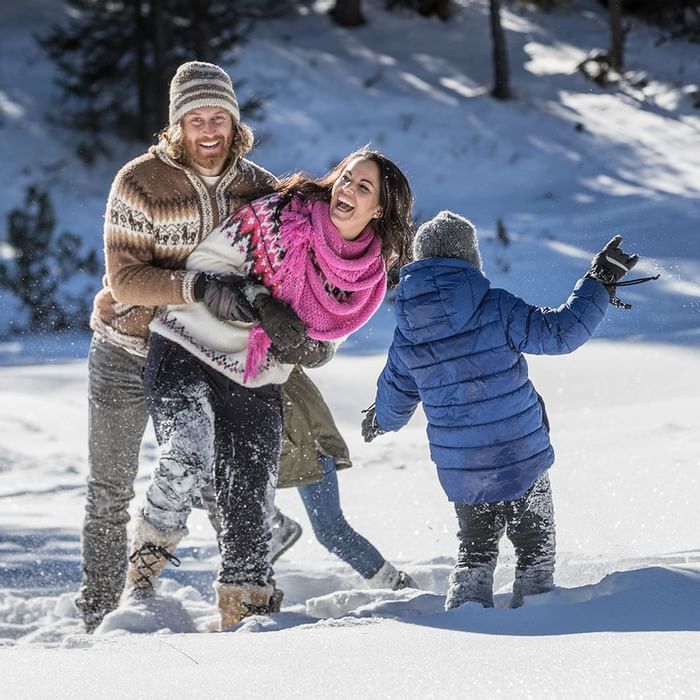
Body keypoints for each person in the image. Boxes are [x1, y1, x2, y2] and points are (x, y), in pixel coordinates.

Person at [125, 149, 416, 630]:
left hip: (259, 375)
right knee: (187, 454)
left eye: (363, 188)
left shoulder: (365, 280)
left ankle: (247, 617)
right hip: (186, 343)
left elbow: (326, 340)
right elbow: (207, 263)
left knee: (250, 495)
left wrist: (308, 349)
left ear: (379, 210)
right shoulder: (281, 215)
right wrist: (259, 302)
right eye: (346, 178)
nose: (347, 190)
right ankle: (140, 585)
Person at [76, 60, 278, 633]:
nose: (208, 130)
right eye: (195, 119)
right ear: (177, 125)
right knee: (110, 489)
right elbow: (125, 279)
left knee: (219, 481)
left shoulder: (258, 189)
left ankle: (244, 605)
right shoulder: (139, 182)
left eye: (218, 117)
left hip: (207, 357)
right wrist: (197, 287)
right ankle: (98, 614)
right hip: (126, 348)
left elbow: (281, 270)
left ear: (234, 123)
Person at [362, 211, 642, 610]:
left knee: (474, 556)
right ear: (470, 260)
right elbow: (561, 333)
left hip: (464, 473)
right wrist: (599, 282)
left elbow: (395, 398)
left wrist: (379, 419)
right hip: (520, 460)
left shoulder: (408, 331)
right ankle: (537, 616)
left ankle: (464, 622)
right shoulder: (494, 306)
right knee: (535, 553)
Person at [271, 366, 415, 591]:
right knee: (215, 491)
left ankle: (396, 585)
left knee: (331, 531)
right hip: (287, 449)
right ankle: (273, 525)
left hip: (308, 445)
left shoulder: (271, 350)